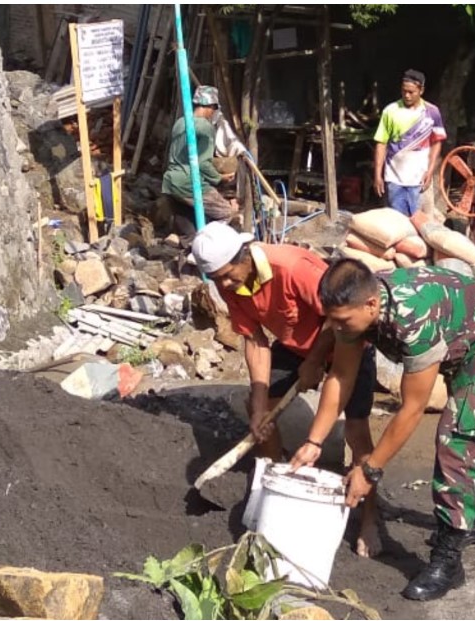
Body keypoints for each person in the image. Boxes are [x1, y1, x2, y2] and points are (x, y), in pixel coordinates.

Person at [290, 260, 475, 601]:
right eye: (330, 318)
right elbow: (341, 378)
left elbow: (412, 408)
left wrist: (369, 469)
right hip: (460, 337)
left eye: (341, 320)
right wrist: (314, 441)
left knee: (459, 432)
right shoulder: (353, 318)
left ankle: (448, 561)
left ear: (371, 305)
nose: (334, 327)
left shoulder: (412, 318)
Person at [188, 222, 383, 557]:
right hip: (295, 347)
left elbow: (335, 315)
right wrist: (261, 407)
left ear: (245, 254)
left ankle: (370, 519)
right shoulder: (230, 284)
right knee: (260, 412)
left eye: (228, 275)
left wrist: (317, 360)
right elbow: (255, 340)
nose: (224, 285)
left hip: (346, 339)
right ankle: (274, 489)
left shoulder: (293, 268)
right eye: (217, 278)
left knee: (356, 431)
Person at [162, 86, 237, 236]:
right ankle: (209, 246)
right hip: (188, 182)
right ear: (210, 107)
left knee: (189, 223)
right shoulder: (205, 127)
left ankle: (188, 247)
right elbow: (202, 163)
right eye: (214, 108)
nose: (214, 113)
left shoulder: (180, 122)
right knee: (227, 213)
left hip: (170, 181)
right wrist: (219, 178)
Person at [373, 69, 446, 217]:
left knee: (421, 222)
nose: (407, 95)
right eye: (404, 91)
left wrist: (430, 170)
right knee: (398, 222)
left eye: (411, 92)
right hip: (394, 179)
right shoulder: (390, 111)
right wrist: (377, 175)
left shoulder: (432, 112)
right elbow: (381, 143)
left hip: (420, 179)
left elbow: (437, 142)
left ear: (421, 90)